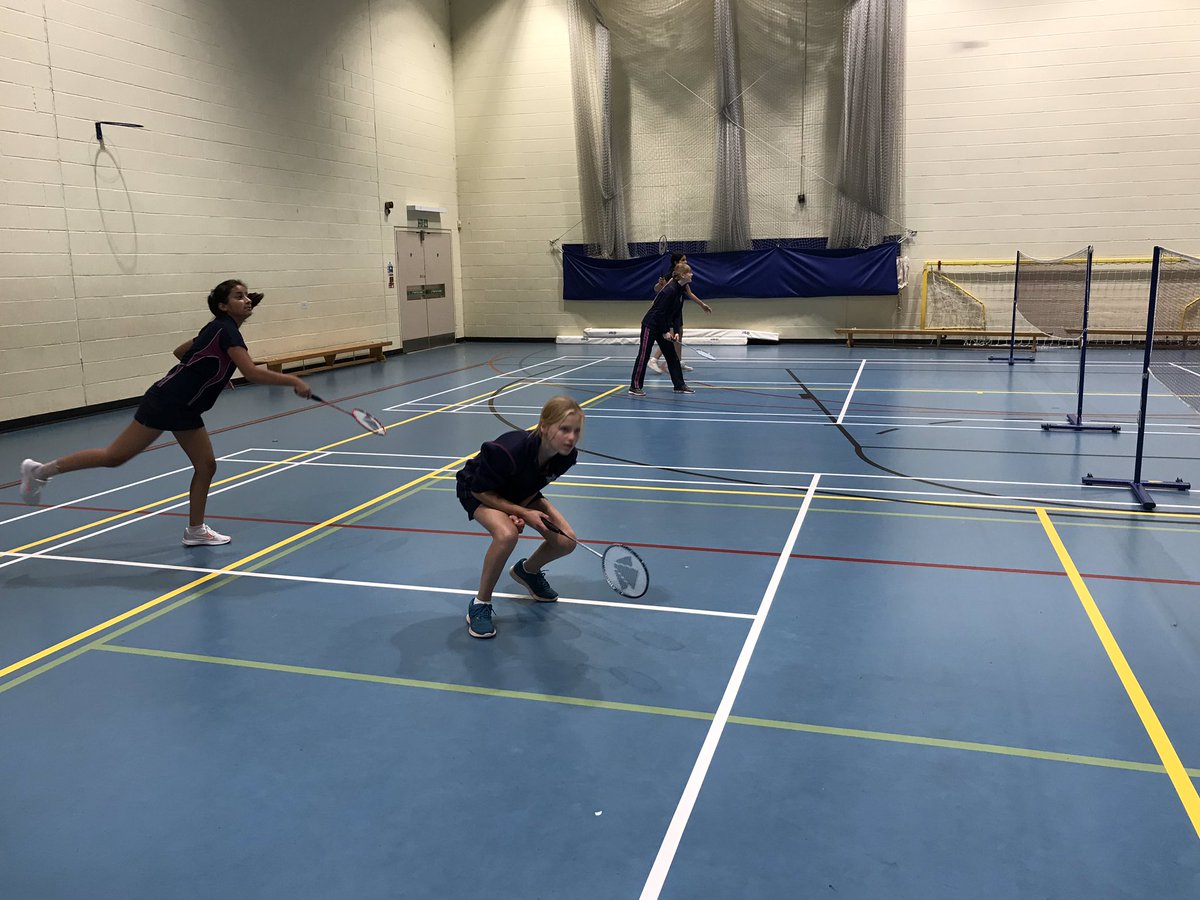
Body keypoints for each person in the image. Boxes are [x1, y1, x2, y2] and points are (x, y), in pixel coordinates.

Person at [18, 279, 312, 546]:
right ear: (223, 306)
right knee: (114, 457)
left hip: (184, 407)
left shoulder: (218, 328)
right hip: (168, 402)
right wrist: (293, 381)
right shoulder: (226, 330)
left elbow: (182, 351)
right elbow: (251, 372)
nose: (247, 300)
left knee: (207, 465)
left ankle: (195, 531)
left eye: (247, 295)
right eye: (239, 296)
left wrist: (216, 373)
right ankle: (40, 471)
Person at [455, 396, 584, 639]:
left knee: (566, 540)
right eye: (564, 429)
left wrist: (517, 509)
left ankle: (527, 571)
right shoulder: (508, 450)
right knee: (506, 535)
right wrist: (518, 512)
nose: (571, 437)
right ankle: (480, 604)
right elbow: (479, 490)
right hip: (478, 490)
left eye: (576, 431)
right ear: (544, 427)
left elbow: (533, 484)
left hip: (520, 493)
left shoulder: (566, 456)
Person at [629, 268, 695, 396]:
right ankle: (634, 387)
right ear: (682, 275)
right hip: (651, 325)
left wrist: (676, 331)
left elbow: (676, 314)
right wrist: (665, 331)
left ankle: (679, 385)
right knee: (644, 355)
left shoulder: (680, 291)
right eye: (689, 272)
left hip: (662, 324)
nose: (691, 274)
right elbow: (660, 313)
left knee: (672, 356)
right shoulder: (669, 290)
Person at [648, 256, 712, 375]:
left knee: (679, 335)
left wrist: (702, 304)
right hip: (668, 311)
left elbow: (689, 293)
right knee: (671, 337)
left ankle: (678, 361)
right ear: (676, 263)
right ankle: (654, 360)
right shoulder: (672, 277)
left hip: (677, 309)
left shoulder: (684, 280)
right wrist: (659, 284)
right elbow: (660, 291)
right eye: (683, 260)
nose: (686, 262)